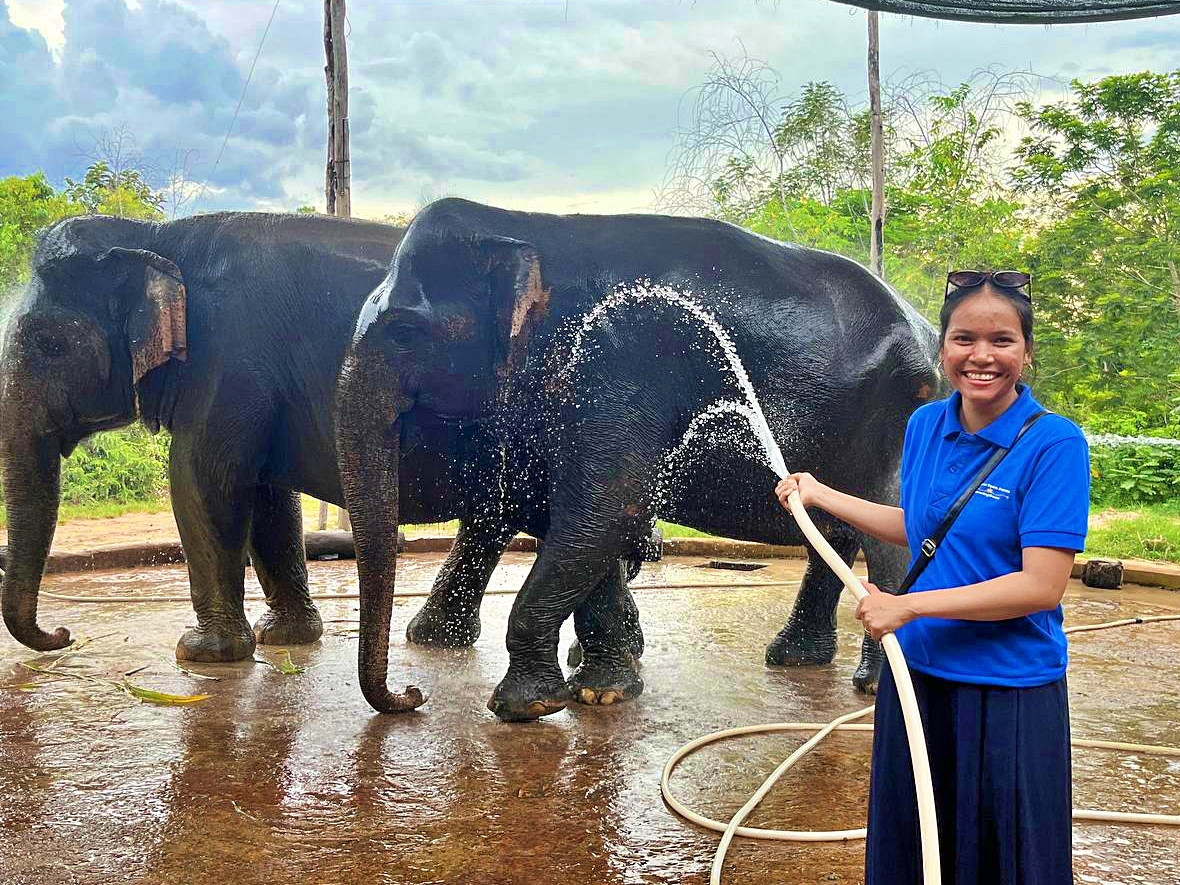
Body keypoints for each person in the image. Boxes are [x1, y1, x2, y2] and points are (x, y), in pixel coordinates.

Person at [775, 270, 1089, 885]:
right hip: (916, 677)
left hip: (1006, 691)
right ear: (941, 347)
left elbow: (1040, 586)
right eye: (964, 338)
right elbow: (922, 525)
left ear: (1026, 351)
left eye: (1001, 340)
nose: (981, 356)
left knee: (1002, 861)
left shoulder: (1055, 445)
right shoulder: (924, 427)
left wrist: (912, 608)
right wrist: (823, 495)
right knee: (915, 852)